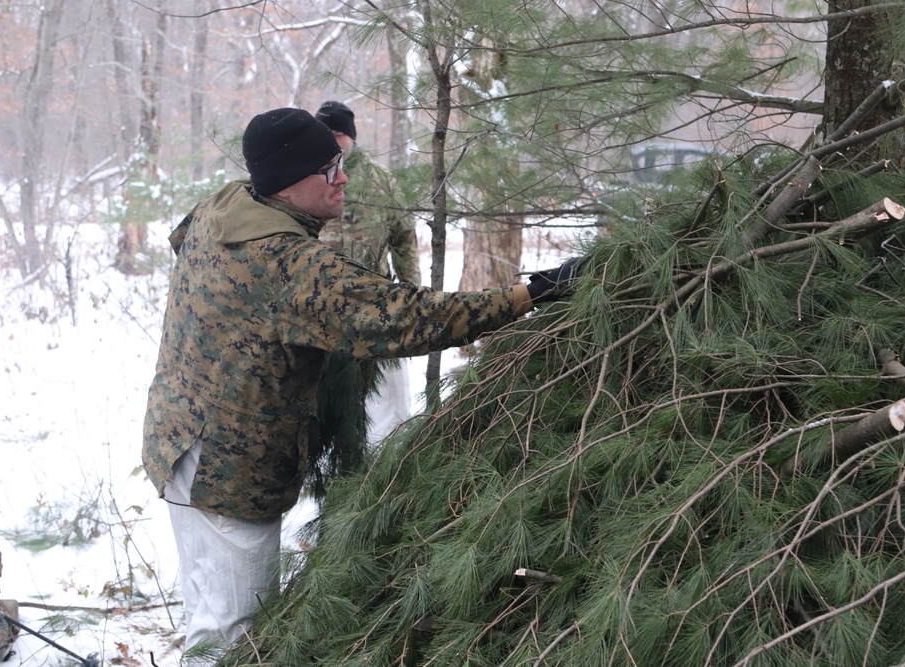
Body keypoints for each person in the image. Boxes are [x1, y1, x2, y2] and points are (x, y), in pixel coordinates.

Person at [140, 107, 579, 657]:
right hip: (229, 470)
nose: (343, 178)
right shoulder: (287, 264)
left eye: (340, 163)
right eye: (328, 170)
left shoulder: (221, 206)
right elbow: (408, 316)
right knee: (236, 635)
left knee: (208, 612)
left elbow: (182, 242)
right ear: (288, 181)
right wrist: (529, 295)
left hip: (177, 437)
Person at [315, 100, 417, 447]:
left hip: (376, 306)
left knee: (385, 398)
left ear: (352, 138)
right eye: (325, 133)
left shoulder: (380, 180)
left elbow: (404, 238)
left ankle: (387, 453)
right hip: (323, 308)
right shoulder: (308, 179)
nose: (332, 140)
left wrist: (412, 291)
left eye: (339, 134)